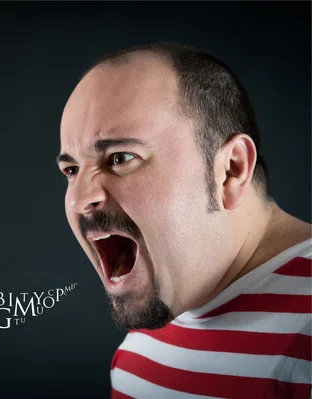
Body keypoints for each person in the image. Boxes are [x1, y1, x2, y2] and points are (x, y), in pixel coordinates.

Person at [57, 42, 311, 398]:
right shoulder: (137, 350)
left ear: (230, 170)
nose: (80, 199)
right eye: (71, 169)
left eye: (120, 158)